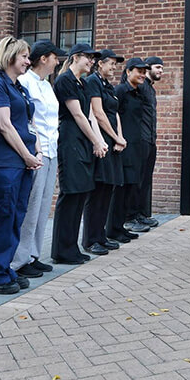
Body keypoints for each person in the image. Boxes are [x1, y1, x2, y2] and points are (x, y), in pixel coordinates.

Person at [0, 37, 43, 294]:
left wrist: (35, 149)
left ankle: (6, 268)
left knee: (16, 216)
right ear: (9, 57)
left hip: (24, 162)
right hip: (7, 163)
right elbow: (4, 125)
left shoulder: (20, 88)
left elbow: (28, 123)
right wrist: (26, 155)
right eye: (24, 57)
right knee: (2, 217)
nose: (29, 61)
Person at [11, 40, 66, 278]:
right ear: (43, 58)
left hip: (51, 150)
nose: (57, 62)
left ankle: (33, 254)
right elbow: (27, 121)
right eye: (55, 58)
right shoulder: (25, 82)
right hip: (36, 151)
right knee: (30, 207)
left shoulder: (46, 85)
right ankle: (19, 259)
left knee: (43, 206)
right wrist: (34, 151)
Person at [51, 43, 107, 264]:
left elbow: (90, 115)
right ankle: (62, 250)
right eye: (89, 58)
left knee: (81, 192)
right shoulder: (65, 80)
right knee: (71, 193)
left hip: (83, 141)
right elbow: (77, 115)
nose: (92, 62)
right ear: (76, 57)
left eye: (93, 59)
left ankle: (71, 246)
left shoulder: (82, 83)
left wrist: (98, 141)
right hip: (70, 140)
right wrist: (95, 140)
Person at [82, 49, 127, 255]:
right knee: (98, 191)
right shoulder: (92, 82)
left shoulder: (108, 86)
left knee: (108, 188)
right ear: (100, 64)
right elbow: (98, 114)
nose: (114, 68)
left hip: (113, 141)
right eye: (111, 64)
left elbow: (114, 112)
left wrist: (120, 136)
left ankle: (101, 235)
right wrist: (113, 137)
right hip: (101, 142)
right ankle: (91, 239)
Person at [109, 58, 151, 244]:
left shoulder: (139, 93)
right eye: (139, 71)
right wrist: (118, 139)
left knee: (130, 188)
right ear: (128, 72)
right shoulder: (120, 91)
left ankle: (120, 227)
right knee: (119, 190)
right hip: (123, 147)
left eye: (144, 72)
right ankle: (112, 229)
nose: (142, 75)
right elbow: (113, 116)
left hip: (136, 148)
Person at [126, 56, 163, 231]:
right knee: (137, 180)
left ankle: (141, 214)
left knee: (145, 180)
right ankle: (131, 217)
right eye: (157, 67)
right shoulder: (140, 87)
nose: (160, 71)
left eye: (162, 68)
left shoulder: (150, 89)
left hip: (150, 139)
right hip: (140, 139)